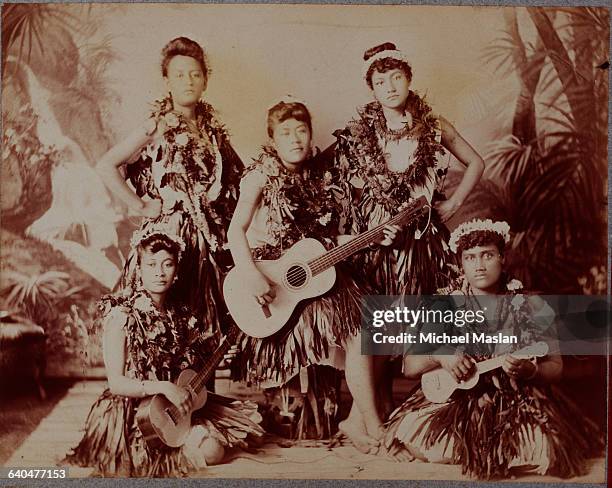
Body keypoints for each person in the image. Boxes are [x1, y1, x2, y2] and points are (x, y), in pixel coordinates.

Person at [227, 97, 398, 453]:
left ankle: (357, 420)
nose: (295, 139)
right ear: (272, 139)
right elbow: (235, 231)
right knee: (358, 327)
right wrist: (251, 275)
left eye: (301, 130)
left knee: (379, 319)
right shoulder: (260, 175)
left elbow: (323, 241)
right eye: (285, 132)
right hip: (273, 277)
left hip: (313, 271)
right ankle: (374, 424)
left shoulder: (320, 176)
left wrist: (371, 237)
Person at [332, 41, 485, 432]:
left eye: (396, 77)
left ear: (409, 79)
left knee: (413, 319)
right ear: (371, 88)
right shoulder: (360, 134)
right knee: (377, 325)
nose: (389, 87)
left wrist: (452, 205)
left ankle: (391, 407)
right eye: (380, 81)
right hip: (379, 242)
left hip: (421, 242)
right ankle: (367, 413)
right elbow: (350, 193)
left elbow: (475, 162)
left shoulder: (433, 125)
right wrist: (367, 231)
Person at [382, 218, 603, 479]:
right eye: (470, 257)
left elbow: (556, 367)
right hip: (458, 399)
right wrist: (441, 356)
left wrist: (530, 370)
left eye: (487, 255)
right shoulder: (445, 305)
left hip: (515, 398)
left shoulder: (532, 305)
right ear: (460, 264)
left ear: (503, 258)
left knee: (545, 450)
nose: (479, 265)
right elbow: (409, 367)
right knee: (422, 440)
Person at [65, 228, 264, 477]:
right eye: (151, 264)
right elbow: (116, 383)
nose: (159, 272)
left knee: (225, 445)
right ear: (139, 268)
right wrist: (162, 387)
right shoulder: (121, 316)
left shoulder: (178, 313)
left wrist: (221, 358)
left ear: (176, 270)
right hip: (134, 412)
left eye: (167, 264)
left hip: (172, 405)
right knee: (210, 453)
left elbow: (186, 370)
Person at [96, 37, 243, 344]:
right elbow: (106, 166)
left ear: (204, 80)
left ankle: (200, 393)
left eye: (194, 74)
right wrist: (141, 206)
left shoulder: (211, 131)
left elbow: (239, 181)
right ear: (167, 81)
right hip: (169, 238)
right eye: (179, 75)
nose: (188, 81)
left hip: (209, 242)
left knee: (204, 326)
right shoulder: (155, 127)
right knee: (164, 324)